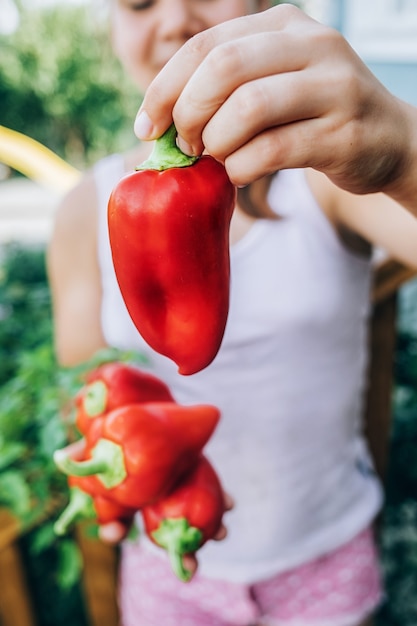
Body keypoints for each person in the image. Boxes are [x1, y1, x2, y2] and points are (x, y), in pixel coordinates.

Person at [47, 2, 417, 625]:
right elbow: (89, 393)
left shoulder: (327, 178)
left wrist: (407, 155)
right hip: (171, 563)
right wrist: (113, 478)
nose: (172, 18)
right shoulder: (86, 208)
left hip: (323, 557)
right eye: (139, 1)